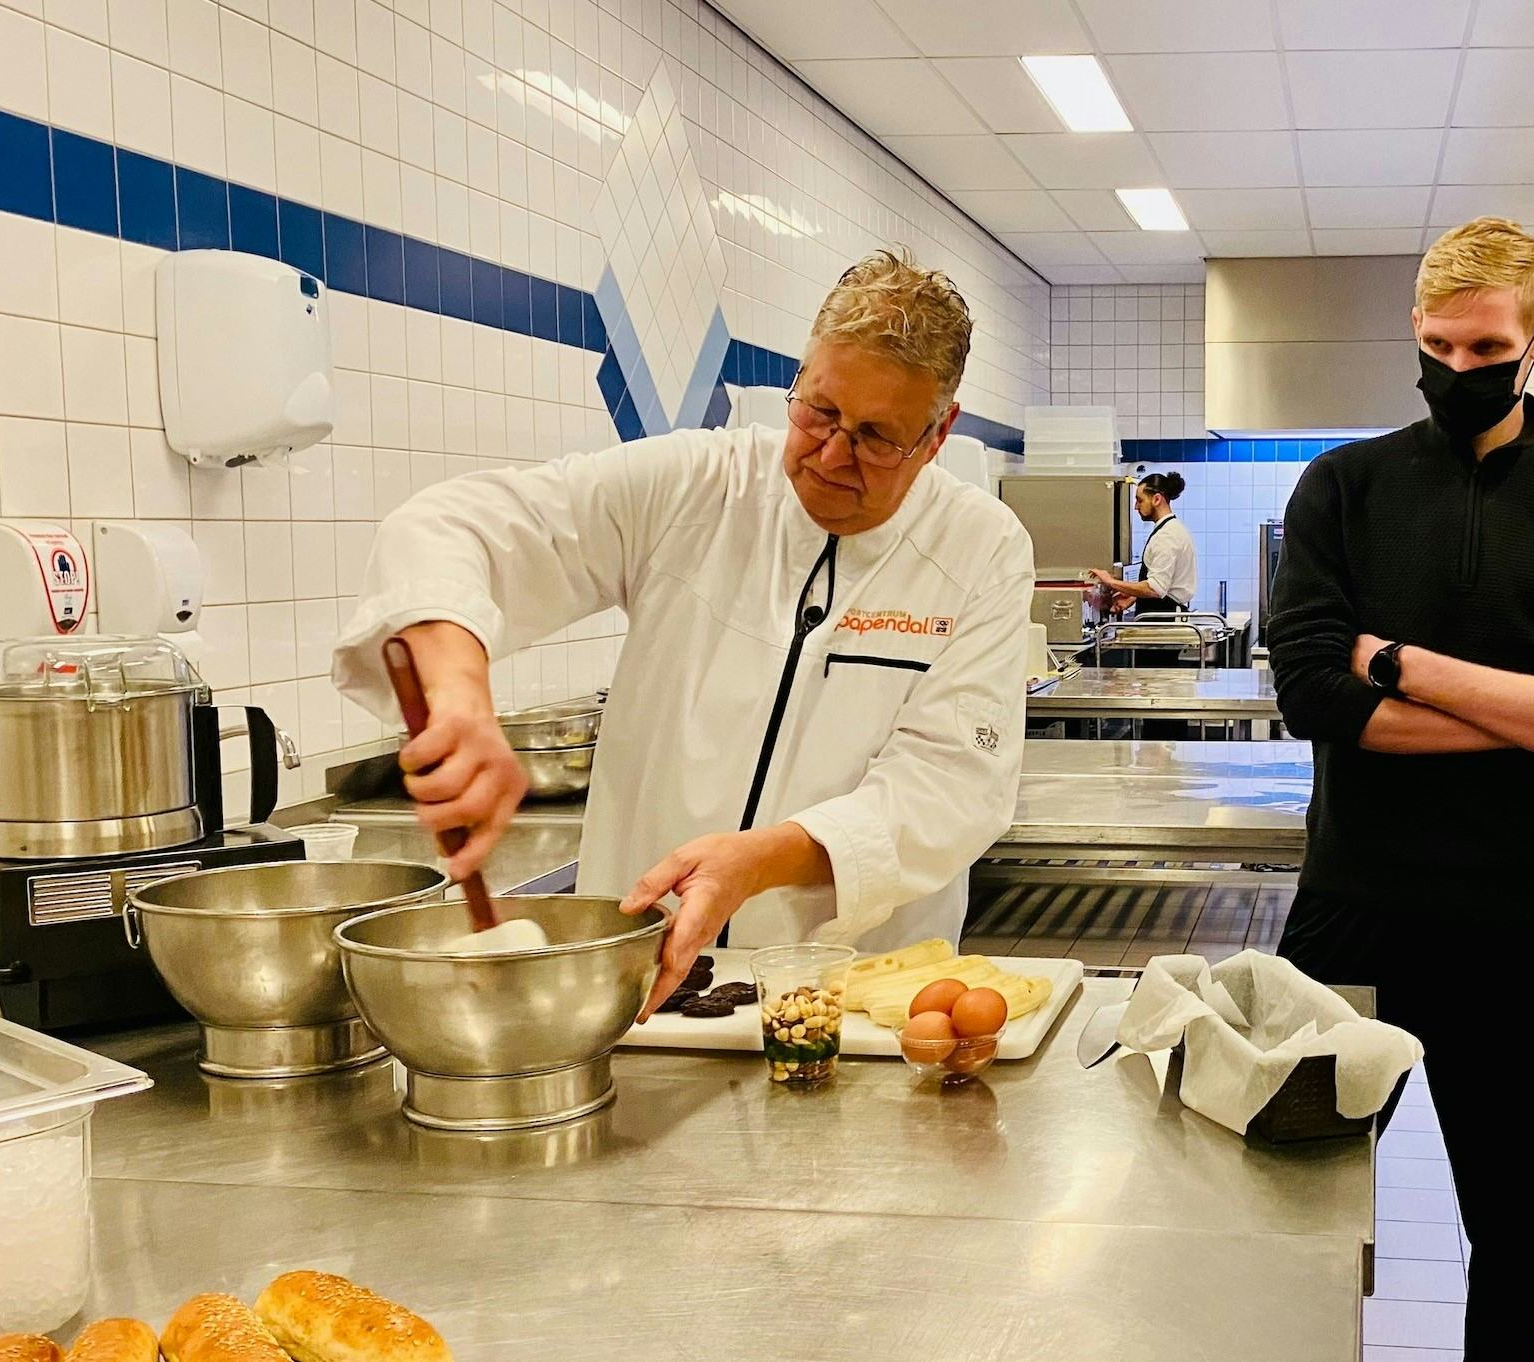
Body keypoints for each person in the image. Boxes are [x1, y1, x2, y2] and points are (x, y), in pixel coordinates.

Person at [332, 251, 1036, 1015]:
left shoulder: (980, 548)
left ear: (937, 436)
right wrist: (461, 694)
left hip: (857, 1001)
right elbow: (450, 526)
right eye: (819, 413)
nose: (832, 455)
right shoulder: (698, 487)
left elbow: (951, 787)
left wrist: (760, 860)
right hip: (640, 989)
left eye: (875, 438)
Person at [1269, 216, 1534, 1360]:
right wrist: (1525, 709)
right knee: (1292, 1197)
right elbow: (1310, 697)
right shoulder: (1342, 489)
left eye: (1482, 350)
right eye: (1434, 347)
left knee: (1506, 1228)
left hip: (1514, 925)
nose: (1454, 371)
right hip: (1353, 914)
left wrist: (1399, 665)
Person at [1087, 471, 1196, 616]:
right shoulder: (1170, 529)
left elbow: (1155, 589)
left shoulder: (1166, 536)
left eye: (1140, 500)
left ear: (1157, 499)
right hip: (1164, 617)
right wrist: (1133, 596)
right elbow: (1164, 585)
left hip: (1164, 622)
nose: (1136, 507)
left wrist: (1110, 581)